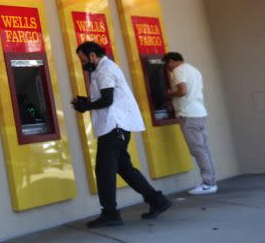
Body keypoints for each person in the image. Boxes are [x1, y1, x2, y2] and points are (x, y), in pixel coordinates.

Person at [72, 41, 171, 228]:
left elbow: (108, 99)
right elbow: (108, 97)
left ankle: (110, 213)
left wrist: (87, 106)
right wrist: (86, 102)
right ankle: (156, 200)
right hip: (117, 126)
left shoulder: (104, 69)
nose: (83, 64)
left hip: (114, 126)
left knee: (104, 169)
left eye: (83, 59)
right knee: (123, 167)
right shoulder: (101, 70)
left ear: (93, 55)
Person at [164, 51, 217, 195]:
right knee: (204, 149)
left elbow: (182, 90)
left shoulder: (178, 70)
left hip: (188, 115)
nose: (167, 69)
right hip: (200, 112)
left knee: (198, 150)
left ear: (171, 61)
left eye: (167, 64)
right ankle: (211, 180)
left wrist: (169, 94)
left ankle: (208, 183)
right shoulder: (194, 69)